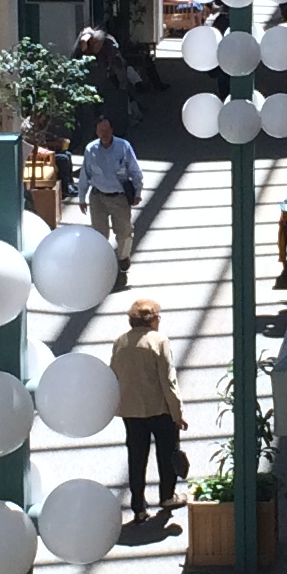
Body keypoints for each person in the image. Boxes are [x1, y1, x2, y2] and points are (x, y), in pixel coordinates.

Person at [110, 299, 188, 519]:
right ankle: (167, 496)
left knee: (136, 457)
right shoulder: (159, 341)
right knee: (167, 453)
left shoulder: (120, 342)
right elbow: (168, 380)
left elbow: (113, 373)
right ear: (152, 320)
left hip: (131, 410)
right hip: (159, 408)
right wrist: (177, 413)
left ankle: (139, 507)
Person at [78, 113, 143, 273]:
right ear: (96, 132)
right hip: (98, 197)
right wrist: (82, 197)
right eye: (101, 130)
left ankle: (123, 257)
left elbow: (135, 171)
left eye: (107, 130)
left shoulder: (123, 147)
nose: (104, 134)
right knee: (99, 233)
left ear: (112, 129)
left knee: (124, 231)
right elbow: (85, 174)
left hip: (119, 196)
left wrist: (137, 192)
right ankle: (103, 261)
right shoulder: (90, 149)